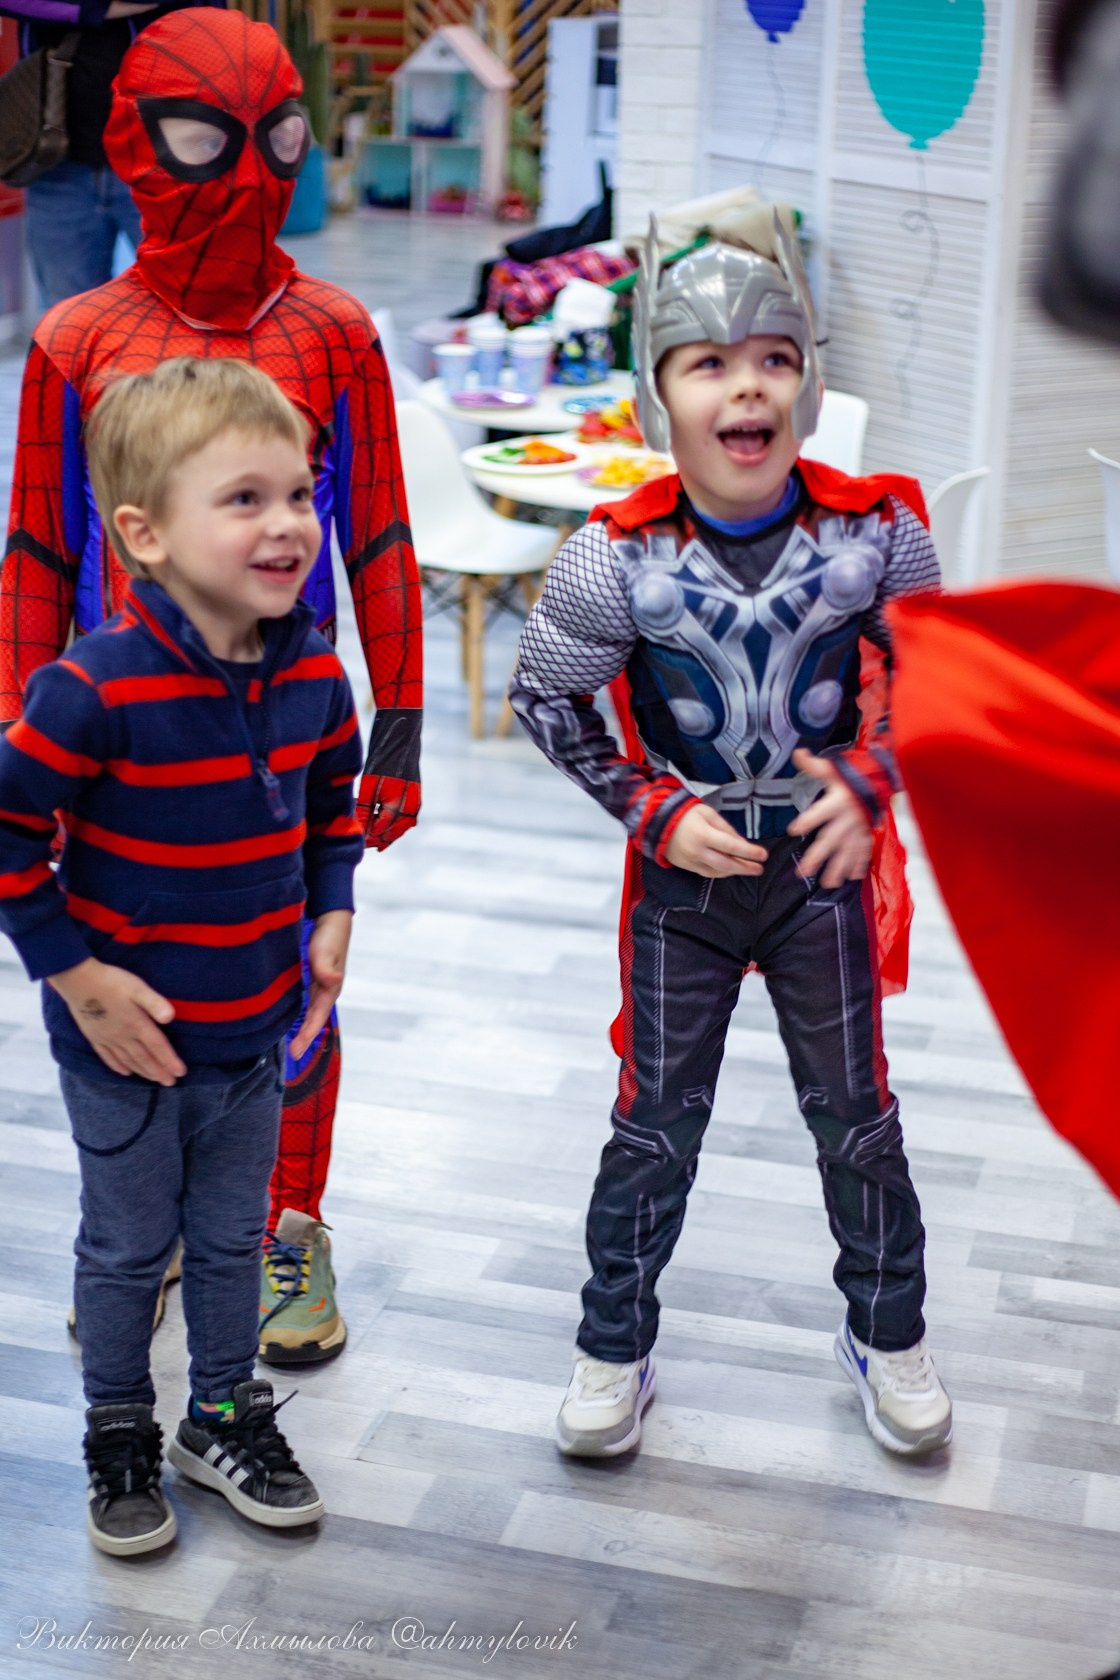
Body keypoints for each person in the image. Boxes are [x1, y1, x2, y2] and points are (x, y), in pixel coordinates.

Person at [0, 6, 423, 1365]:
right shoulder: (77, 340)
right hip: (124, 745)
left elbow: (381, 539)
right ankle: (139, 1234)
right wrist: (26, 735)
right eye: (205, 141)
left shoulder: (335, 333)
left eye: (277, 139)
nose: (245, 175)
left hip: (289, 732)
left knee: (303, 971)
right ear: (136, 141)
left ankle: (285, 1221)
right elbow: (35, 552)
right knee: (127, 980)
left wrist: (396, 737)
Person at [510, 216, 953, 1460]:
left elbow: (946, 682)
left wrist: (868, 779)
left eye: (770, 355)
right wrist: (652, 807)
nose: (743, 383)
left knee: (857, 1119)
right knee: (653, 1127)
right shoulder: (611, 551)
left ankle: (887, 1332)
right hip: (683, 881)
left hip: (819, 875)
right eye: (706, 363)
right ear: (659, 393)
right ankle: (614, 1349)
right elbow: (545, 699)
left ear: (805, 379)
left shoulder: (879, 534)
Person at [0, 356, 364, 1554]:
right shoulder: (89, 688)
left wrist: (332, 905)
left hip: (251, 1034)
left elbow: (328, 802)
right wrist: (78, 977)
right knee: (124, 1247)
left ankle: (220, 1416)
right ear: (143, 535)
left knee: (232, 1241)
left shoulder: (314, 671)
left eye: (299, 494)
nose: (287, 524)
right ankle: (119, 1429)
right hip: (126, 1048)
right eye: (245, 498)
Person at [0, 0, 216, 311]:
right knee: (68, 320)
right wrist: (94, 9)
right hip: (58, 159)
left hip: (168, 159)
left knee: (187, 309)